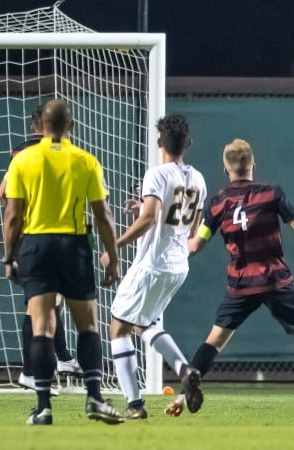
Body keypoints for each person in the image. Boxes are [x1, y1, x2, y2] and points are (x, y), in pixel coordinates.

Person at [2, 98, 124, 426]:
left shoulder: (23, 160)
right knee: (87, 325)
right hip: (74, 244)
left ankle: (43, 408)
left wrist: (9, 256)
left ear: (40, 125)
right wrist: (112, 257)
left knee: (41, 325)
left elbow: (12, 214)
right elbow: (103, 215)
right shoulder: (85, 161)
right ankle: (95, 398)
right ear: (71, 126)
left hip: (37, 245)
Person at [103, 114, 206, 419]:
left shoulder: (156, 175)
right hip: (178, 266)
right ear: (187, 143)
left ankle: (135, 405)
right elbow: (191, 228)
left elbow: (149, 219)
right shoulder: (198, 178)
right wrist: (148, 213)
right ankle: (184, 368)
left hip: (152, 264)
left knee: (118, 328)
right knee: (144, 324)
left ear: (160, 142)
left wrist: (114, 247)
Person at [187, 138, 294, 389]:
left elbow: (196, 245)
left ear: (225, 169)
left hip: (240, 285)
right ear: (253, 163)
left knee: (215, 340)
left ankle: (189, 384)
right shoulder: (271, 193)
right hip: (275, 280)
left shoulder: (218, 203)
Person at [0, 105, 81, 397]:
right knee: (41, 303)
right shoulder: (49, 152)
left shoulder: (22, 152)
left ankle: (63, 358)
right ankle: (31, 371)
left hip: (30, 238)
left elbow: (1, 194)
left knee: (51, 300)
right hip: (43, 236)